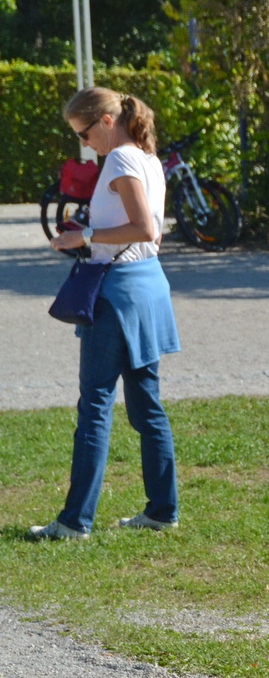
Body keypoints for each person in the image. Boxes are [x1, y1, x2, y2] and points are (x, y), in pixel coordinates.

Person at [28, 88, 180, 540]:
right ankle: (162, 510)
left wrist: (84, 236)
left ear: (107, 121)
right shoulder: (150, 159)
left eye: (86, 132)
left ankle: (74, 521)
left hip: (118, 291)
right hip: (148, 283)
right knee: (145, 405)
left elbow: (143, 227)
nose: (85, 143)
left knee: (94, 403)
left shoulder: (119, 160)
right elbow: (153, 237)